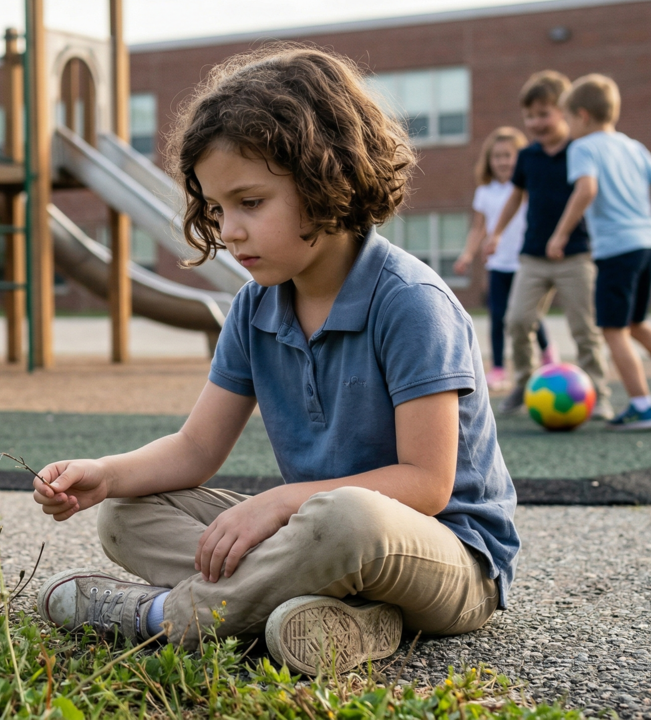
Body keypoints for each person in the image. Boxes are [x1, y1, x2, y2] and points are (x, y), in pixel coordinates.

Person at [32, 47, 519, 677]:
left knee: (344, 518)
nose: (228, 231)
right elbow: (193, 450)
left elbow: (427, 484)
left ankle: (163, 618)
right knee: (129, 512)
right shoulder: (252, 308)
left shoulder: (411, 303)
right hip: (318, 540)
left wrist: (282, 501)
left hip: (447, 558)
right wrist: (105, 472)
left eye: (250, 203)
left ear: (327, 179)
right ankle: (338, 620)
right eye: (215, 209)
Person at [490, 71, 611, 419]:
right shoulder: (527, 156)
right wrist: (496, 233)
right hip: (532, 256)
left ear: (565, 112)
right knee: (517, 320)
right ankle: (525, 383)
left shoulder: (581, 150)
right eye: (529, 116)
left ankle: (599, 393)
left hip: (576, 254)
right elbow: (515, 197)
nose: (535, 122)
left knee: (584, 328)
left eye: (543, 114)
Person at [547, 75, 651, 430]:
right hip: (645, 245)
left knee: (613, 330)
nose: (567, 128)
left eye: (568, 119)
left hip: (617, 250)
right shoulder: (634, 147)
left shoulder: (584, 147)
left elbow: (587, 189)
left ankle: (641, 404)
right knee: (636, 324)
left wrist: (560, 233)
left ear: (583, 116)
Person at [454, 127, 555, 392]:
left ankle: (547, 353)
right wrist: (467, 254)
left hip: (525, 262)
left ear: (519, 158)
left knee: (528, 313)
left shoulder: (526, 187)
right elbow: (479, 228)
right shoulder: (485, 192)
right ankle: (498, 367)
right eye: (497, 156)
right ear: (489, 160)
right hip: (498, 264)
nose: (503, 161)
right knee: (498, 315)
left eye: (509, 155)